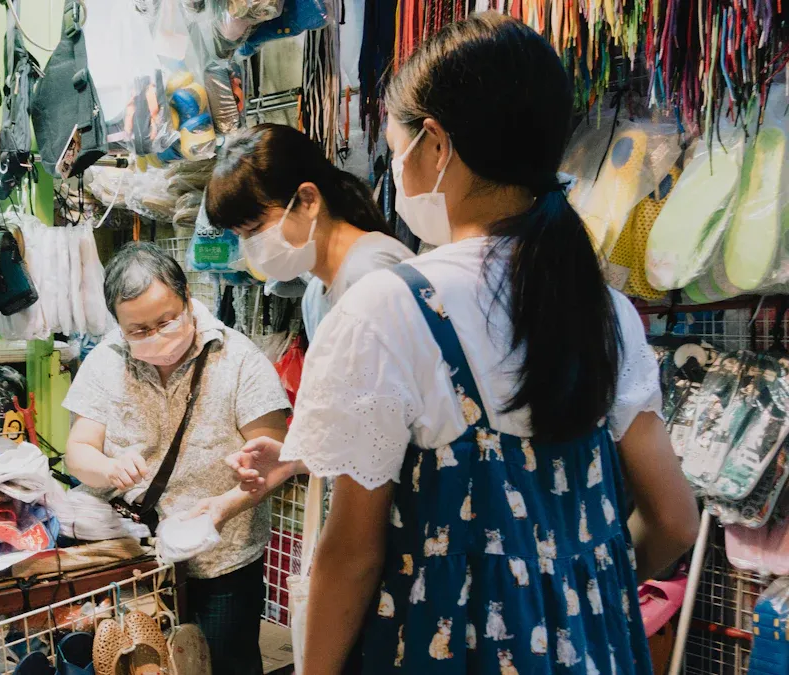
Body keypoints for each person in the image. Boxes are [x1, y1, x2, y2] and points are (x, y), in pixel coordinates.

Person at [227, 13, 699, 674]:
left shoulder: (388, 309)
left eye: (396, 146)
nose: (396, 167)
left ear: (436, 144)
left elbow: (352, 554)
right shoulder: (606, 310)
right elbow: (676, 519)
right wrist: (570, 588)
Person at [62, 242, 289, 675]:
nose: (155, 336)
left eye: (165, 321)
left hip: (221, 555)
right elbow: (78, 451)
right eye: (138, 330)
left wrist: (223, 508)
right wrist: (108, 467)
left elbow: (275, 460)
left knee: (225, 663)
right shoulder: (106, 360)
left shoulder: (240, 360)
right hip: (132, 554)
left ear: (187, 298)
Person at [206, 123, 414, 342]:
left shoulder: (372, 273)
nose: (250, 246)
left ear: (308, 200)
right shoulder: (315, 295)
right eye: (242, 235)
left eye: (256, 228)